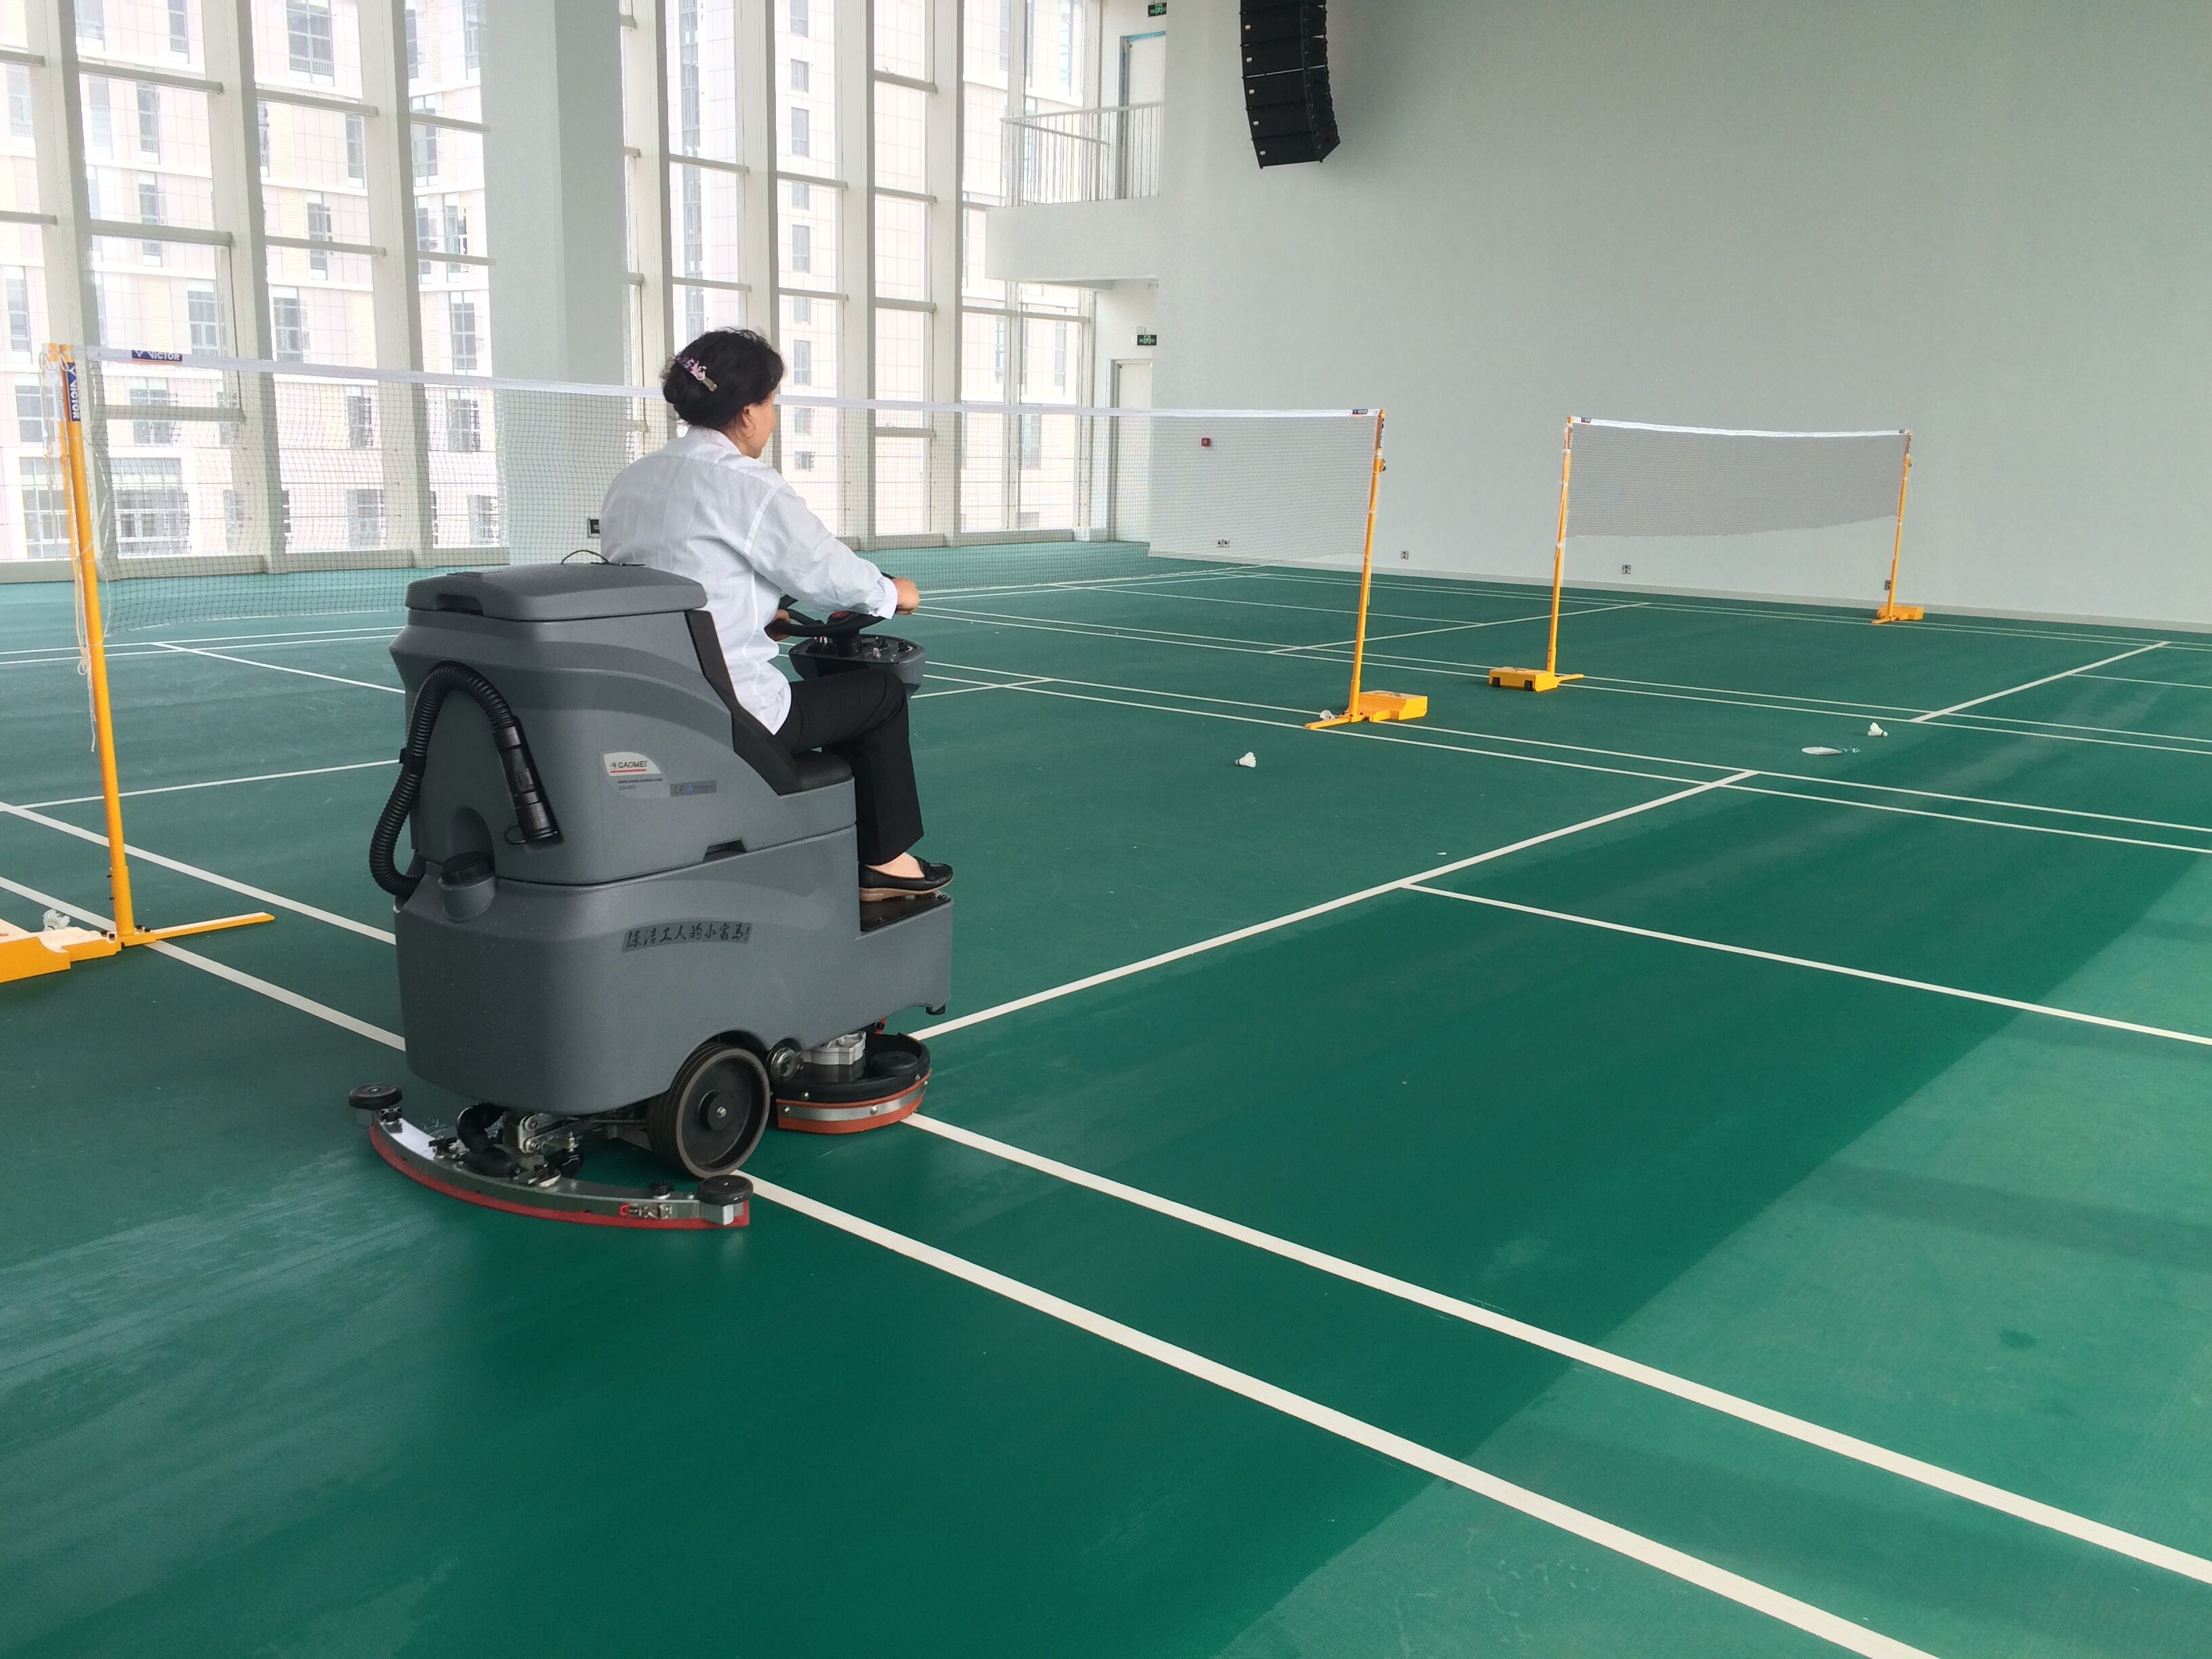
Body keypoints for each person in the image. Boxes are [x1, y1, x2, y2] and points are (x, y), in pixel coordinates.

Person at [600, 329, 951, 901]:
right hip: (735, 710)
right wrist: (892, 593)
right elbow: (824, 570)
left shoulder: (633, 481)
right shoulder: (746, 484)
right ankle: (885, 863)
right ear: (746, 412)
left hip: (655, 700)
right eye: (771, 403)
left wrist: (762, 618)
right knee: (880, 696)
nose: (772, 416)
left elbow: (681, 581)